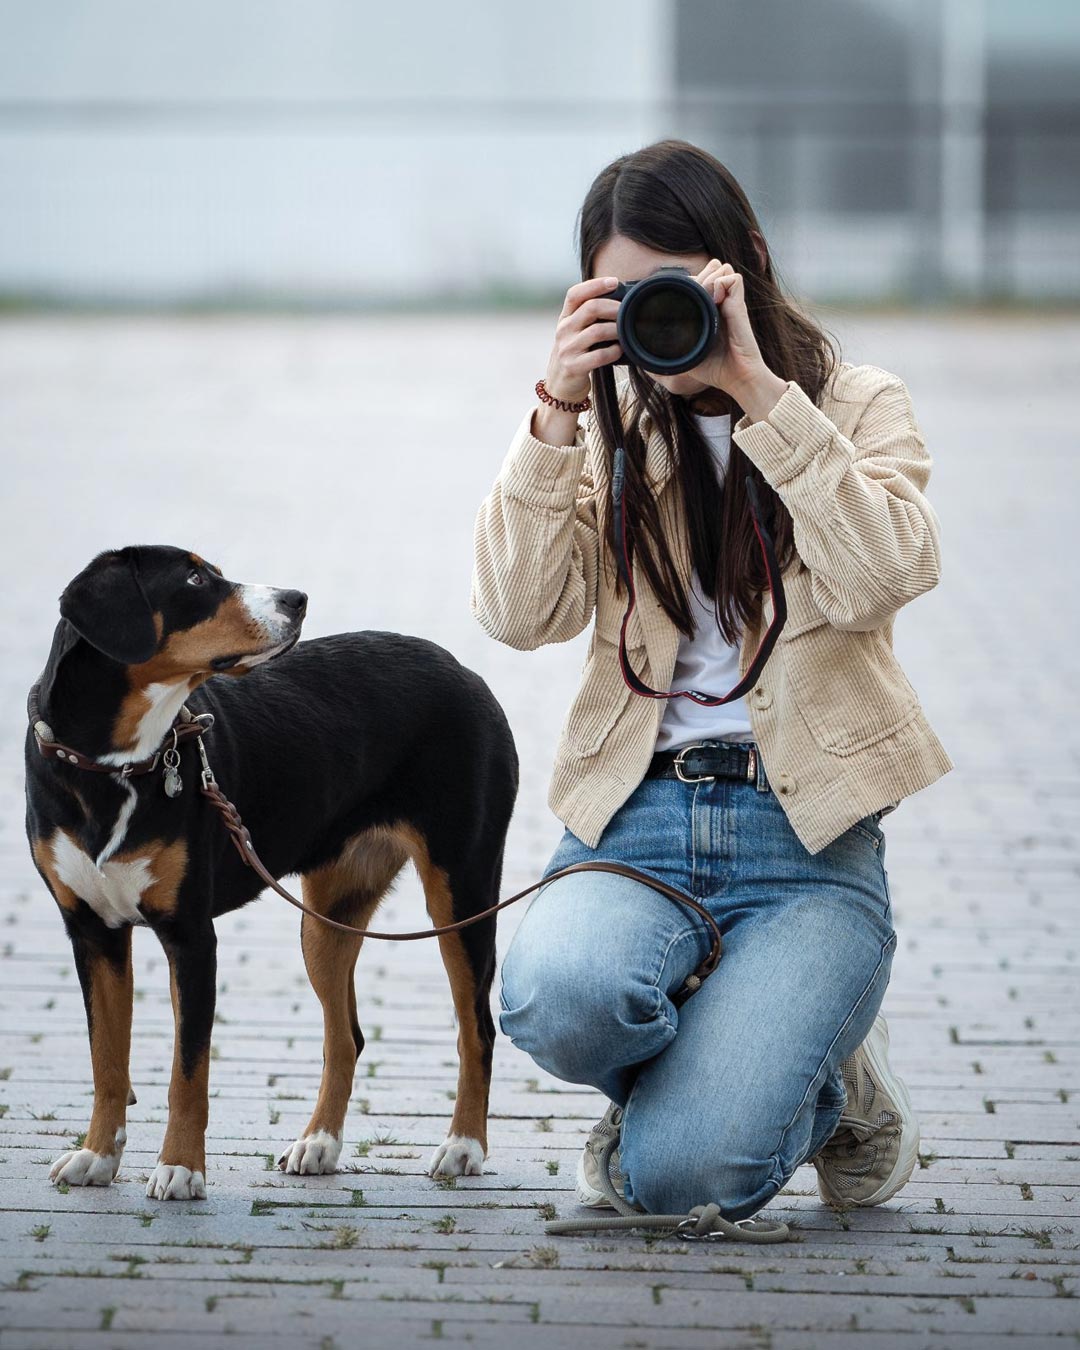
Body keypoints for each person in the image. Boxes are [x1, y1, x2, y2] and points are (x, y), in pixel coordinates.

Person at [469, 139, 952, 1223]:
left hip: (808, 846)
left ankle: (807, 1070)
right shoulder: (610, 428)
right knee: (554, 997)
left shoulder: (857, 402)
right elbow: (517, 612)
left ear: (745, 269)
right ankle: (795, 1066)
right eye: (627, 293)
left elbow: (886, 573)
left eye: (678, 288)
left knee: (682, 1179)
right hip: (632, 821)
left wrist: (757, 392)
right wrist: (554, 408)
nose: (658, 318)